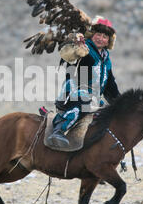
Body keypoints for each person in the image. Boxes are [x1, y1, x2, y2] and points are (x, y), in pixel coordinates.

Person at [47, 16, 121, 148]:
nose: (100, 38)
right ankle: (58, 130)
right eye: (98, 34)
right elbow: (69, 58)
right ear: (92, 34)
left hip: (94, 99)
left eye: (105, 36)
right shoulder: (84, 49)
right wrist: (76, 48)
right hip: (73, 93)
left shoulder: (106, 59)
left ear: (109, 41)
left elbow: (110, 85)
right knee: (82, 103)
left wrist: (121, 104)